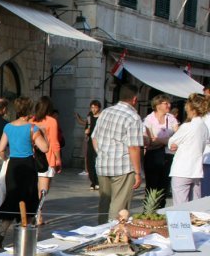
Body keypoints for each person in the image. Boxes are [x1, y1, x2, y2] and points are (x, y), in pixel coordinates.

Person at [0, 96, 49, 249]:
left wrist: (7, 158)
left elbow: (0, 149)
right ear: (29, 110)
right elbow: (45, 148)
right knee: (29, 199)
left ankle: (2, 234)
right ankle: (24, 236)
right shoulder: (32, 128)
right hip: (28, 166)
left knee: (12, 199)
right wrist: (44, 135)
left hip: (14, 166)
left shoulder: (8, 127)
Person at [93, 84, 145, 224]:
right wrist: (138, 172)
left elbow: (94, 137)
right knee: (120, 203)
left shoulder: (105, 112)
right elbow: (133, 147)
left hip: (103, 163)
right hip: (122, 166)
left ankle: (101, 230)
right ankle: (113, 232)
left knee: (104, 201)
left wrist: (101, 153)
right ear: (134, 99)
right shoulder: (133, 117)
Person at [168, 93, 209, 204]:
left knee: (179, 208)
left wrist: (173, 144)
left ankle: (180, 222)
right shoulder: (204, 127)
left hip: (182, 170)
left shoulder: (187, 126)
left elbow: (172, 141)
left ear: (192, 109)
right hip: (196, 171)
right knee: (195, 207)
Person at [142, 94, 178, 209]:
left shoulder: (171, 118)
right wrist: (168, 141)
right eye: (166, 103)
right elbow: (149, 141)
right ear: (158, 105)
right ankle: (149, 212)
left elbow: (178, 137)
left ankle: (161, 211)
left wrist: (159, 140)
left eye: (169, 103)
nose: (169, 105)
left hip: (168, 155)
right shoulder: (149, 119)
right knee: (152, 185)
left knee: (164, 186)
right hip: (153, 155)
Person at [31, 96, 61, 226]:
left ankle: (33, 214)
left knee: (33, 188)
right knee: (43, 190)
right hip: (47, 159)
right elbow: (54, 142)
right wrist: (58, 159)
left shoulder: (31, 120)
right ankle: (38, 215)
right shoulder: (52, 121)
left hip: (32, 158)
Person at [76, 100, 102, 190]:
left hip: (99, 142)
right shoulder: (89, 117)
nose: (93, 109)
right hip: (90, 142)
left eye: (95, 107)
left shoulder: (102, 117)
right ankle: (93, 182)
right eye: (92, 107)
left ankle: (98, 181)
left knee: (97, 161)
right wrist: (86, 131)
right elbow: (86, 127)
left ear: (99, 108)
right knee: (90, 161)